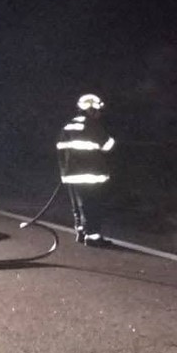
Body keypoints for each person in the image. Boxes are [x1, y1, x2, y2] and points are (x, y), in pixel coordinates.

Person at [56, 93, 115, 247]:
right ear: (91, 110)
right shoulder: (93, 125)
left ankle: (81, 231)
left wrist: (64, 172)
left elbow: (60, 150)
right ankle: (93, 236)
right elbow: (108, 146)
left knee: (78, 205)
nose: (99, 114)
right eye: (98, 111)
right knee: (92, 205)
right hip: (91, 175)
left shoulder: (68, 126)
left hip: (70, 175)